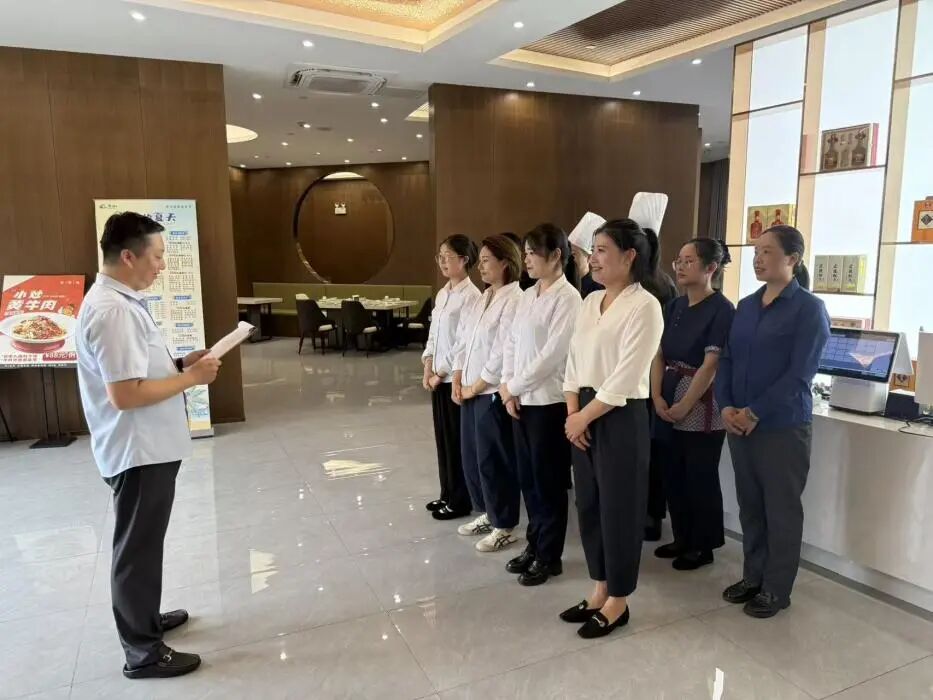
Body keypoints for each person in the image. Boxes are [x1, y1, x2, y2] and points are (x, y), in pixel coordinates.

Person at [76, 212, 221, 679]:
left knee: (144, 543)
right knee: (136, 549)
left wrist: (179, 363)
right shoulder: (113, 310)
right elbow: (125, 394)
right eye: (157, 256)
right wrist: (191, 378)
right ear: (128, 256)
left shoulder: (120, 301)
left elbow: (134, 371)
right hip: (137, 451)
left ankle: (145, 619)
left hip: (147, 446)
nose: (162, 266)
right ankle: (142, 652)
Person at [716, 225, 830, 619]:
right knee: (750, 506)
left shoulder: (809, 309)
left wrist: (754, 412)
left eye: (767, 251)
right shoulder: (747, 306)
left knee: (781, 510)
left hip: (781, 427)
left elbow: (800, 374)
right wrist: (726, 406)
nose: (757, 258)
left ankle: (776, 589)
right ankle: (753, 576)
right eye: (756, 251)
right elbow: (727, 359)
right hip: (739, 424)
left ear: (792, 259)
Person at [559, 219, 664, 639]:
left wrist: (583, 417)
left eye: (602, 250)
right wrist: (573, 412)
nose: (594, 258)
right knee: (588, 504)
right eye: (594, 250)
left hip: (619, 415)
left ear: (629, 256)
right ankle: (599, 588)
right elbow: (573, 360)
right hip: (582, 411)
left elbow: (627, 375)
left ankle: (619, 598)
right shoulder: (590, 302)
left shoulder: (645, 306)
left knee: (619, 508)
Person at [499, 224, 582, 585]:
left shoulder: (569, 299)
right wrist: (507, 386)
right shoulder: (528, 294)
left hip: (548, 404)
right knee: (528, 480)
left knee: (548, 482)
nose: (527, 259)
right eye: (526, 252)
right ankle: (534, 545)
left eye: (533, 252)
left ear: (556, 255)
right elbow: (511, 343)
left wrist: (514, 386)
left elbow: (552, 356)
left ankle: (549, 555)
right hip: (520, 400)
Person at [651, 238, 735, 571]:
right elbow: (658, 353)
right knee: (672, 472)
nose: (681, 267)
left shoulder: (722, 309)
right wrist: (657, 395)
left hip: (701, 399)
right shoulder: (675, 306)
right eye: (679, 261)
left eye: (689, 261)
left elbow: (711, 364)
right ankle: (682, 536)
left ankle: (703, 544)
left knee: (699, 475)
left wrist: (686, 403)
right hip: (667, 390)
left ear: (710, 267)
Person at [451, 234, 524, 552]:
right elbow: (464, 340)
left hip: (490, 391)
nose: (479, 267)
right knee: (472, 457)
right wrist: (457, 377)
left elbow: (502, 351)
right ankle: (488, 512)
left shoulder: (515, 299)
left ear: (505, 263)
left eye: (485, 261)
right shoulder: (484, 297)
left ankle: (504, 524)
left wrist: (476, 386)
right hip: (469, 389)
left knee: (494, 460)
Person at [423, 235, 481, 521]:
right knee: (442, 440)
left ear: (464, 259)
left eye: (448, 256)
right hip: (436, 377)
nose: (442, 261)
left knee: (457, 443)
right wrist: (427, 364)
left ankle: (460, 500)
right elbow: (434, 334)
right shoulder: (443, 293)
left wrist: (441, 373)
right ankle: (446, 493)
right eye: (440, 256)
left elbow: (462, 343)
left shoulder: (471, 296)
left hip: (453, 380)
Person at [567, 211, 606, 299]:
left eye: (573, 254)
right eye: (567, 253)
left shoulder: (597, 289)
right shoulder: (565, 284)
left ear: (589, 258)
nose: (568, 258)